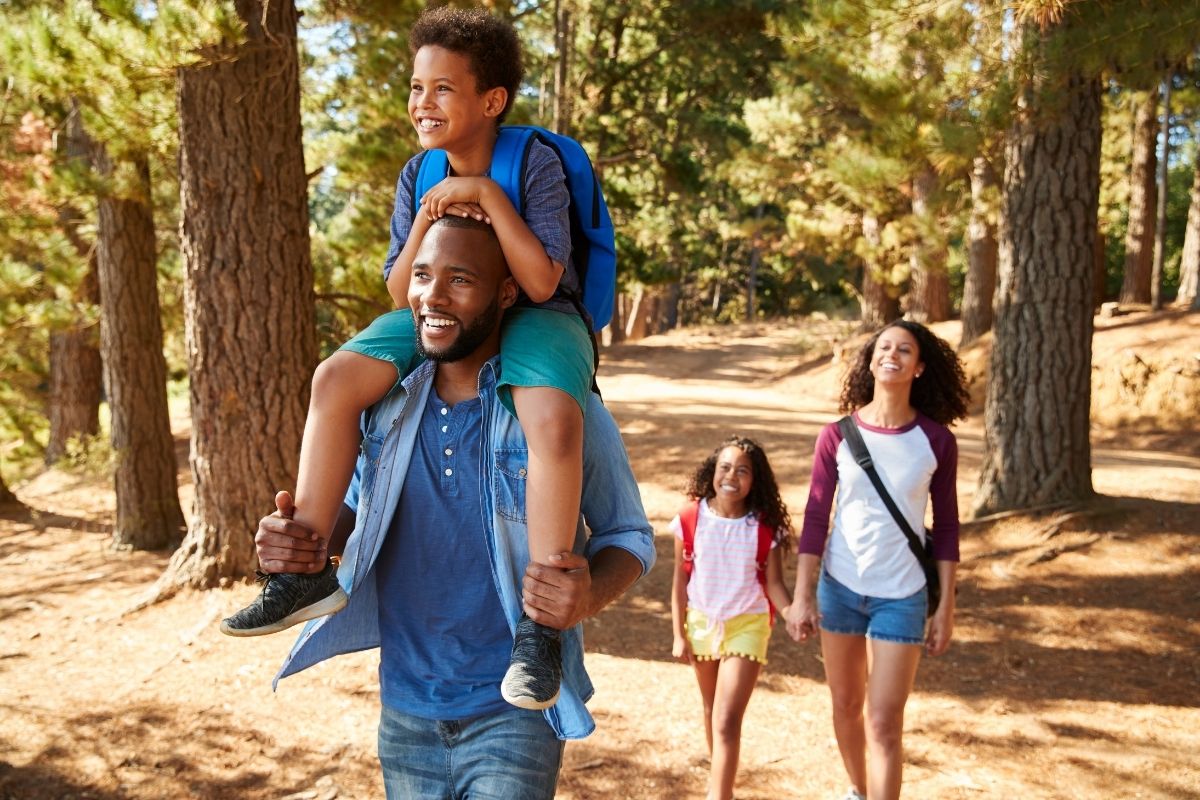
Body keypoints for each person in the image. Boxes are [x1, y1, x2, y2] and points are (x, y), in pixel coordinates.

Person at [221, 6, 594, 712]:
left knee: (548, 418)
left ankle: (540, 625)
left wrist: (483, 195)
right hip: (439, 308)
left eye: (443, 89)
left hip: (540, 317)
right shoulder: (417, 172)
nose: (424, 103)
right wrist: (431, 210)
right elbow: (399, 290)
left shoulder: (533, 162)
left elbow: (542, 280)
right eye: (416, 88)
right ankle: (304, 566)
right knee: (334, 378)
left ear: (491, 101)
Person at [254, 215, 654, 798]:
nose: (433, 297)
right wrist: (297, 544)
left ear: (505, 293)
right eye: (421, 276)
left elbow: (630, 535)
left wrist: (583, 597)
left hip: (514, 714)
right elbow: (356, 513)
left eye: (460, 280)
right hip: (405, 711)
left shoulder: (559, 409)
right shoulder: (382, 404)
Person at [783, 320, 969, 800]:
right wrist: (802, 595)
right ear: (870, 360)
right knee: (845, 705)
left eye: (905, 349)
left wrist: (945, 605)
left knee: (884, 721)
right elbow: (817, 518)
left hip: (902, 595)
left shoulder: (935, 441)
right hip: (840, 588)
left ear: (920, 367)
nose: (893, 354)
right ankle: (858, 790)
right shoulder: (837, 435)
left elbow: (946, 527)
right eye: (884, 347)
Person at [670, 436, 793, 800]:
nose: (732, 476)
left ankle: (718, 794)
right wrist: (679, 634)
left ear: (756, 480)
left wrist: (792, 615)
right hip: (702, 622)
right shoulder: (691, 518)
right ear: (712, 472)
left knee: (726, 718)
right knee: (712, 711)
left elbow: (775, 584)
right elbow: (680, 579)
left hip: (748, 625)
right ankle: (721, 783)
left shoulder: (765, 526)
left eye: (743, 471)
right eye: (725, 467)